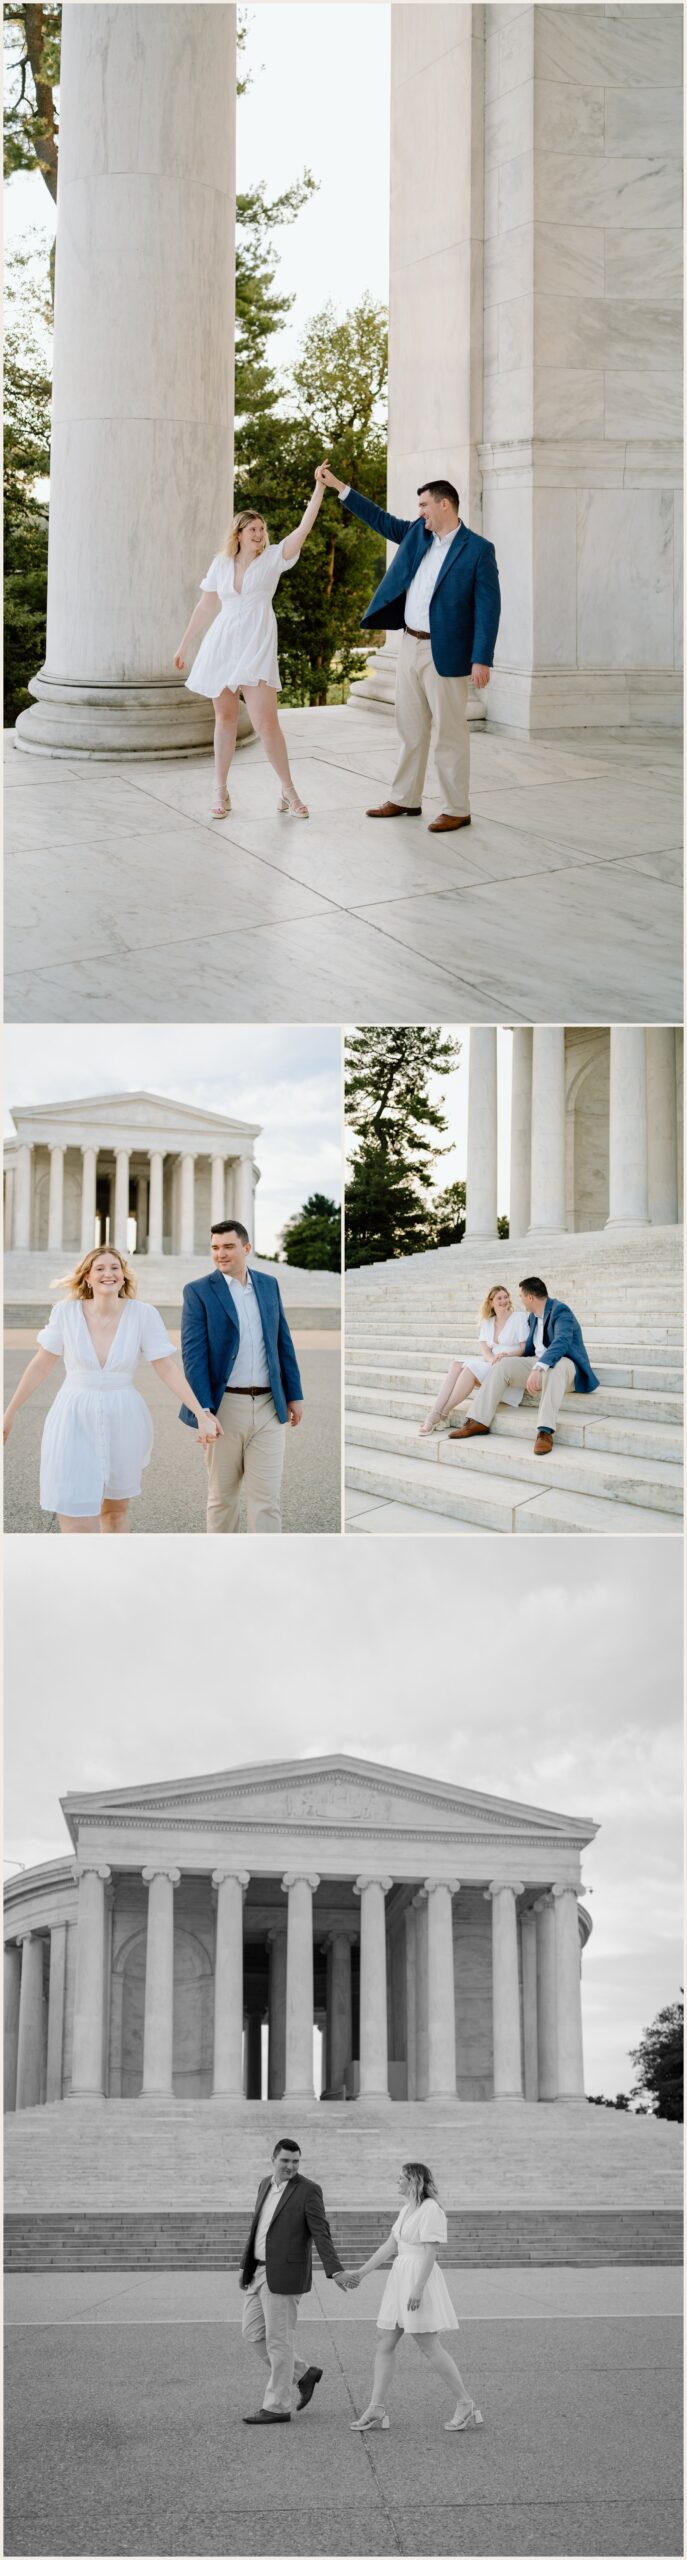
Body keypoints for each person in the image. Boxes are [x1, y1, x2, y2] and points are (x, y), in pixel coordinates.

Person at [319, 464, 500, 832]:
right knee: (410, 728)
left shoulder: (478, 550)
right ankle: (405, 798)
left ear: (445, 504)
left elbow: (488, 608)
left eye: (424, 505)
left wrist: (482, 657)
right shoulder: (418, 533)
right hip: (410, 644)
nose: (419, 512)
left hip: (445, 652)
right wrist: (339, 487)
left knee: (449, 732)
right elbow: (380, 519)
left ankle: (457, 808)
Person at [2, 1245, 220, 1534]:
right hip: (73, 1416)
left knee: (115, 1511)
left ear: (123, 1276)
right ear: (88, 1277)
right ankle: (83, 1575)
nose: (109, 1273)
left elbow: (166, 1368)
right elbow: (41, 1364)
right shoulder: (65, 1313)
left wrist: (201, 1414)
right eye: (100, 1268)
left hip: (123, 1416)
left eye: (115, 1267)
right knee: (74, 1512)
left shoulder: (143, 1314)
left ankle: (113, 1574)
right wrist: (10, 1412)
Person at [173, 470, 328, 819]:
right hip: (223, 643)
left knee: (266, 723)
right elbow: (206, 606)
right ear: (239, 534)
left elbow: (304, 528)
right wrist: (184, 646)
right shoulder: (221, 564)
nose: (260, 534)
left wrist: (319, 488)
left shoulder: (274, 557)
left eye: (262, 529)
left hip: (256, 642)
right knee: (225, 719)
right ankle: (221, 791)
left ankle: (289, 791)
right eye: (253, 529)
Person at [179, 1218, 303, 1534]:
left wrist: (294, 1394)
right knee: (223, 1499)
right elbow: (193, 1357)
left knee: (267, 1501)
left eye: (229, 1246)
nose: (221, 1254)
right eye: (215, 1248)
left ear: (246, 1248)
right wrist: (203, 1410)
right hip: (224, 1408)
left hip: (268, 1406)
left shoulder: (269, 1284)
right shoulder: (198, 1292)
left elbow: (282, 1340)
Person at [340, 2162, 482, 2435]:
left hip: (418, 2279)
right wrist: (361, 2273)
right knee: (385, 2339)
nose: (397, 2182)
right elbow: (391, 2245)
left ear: (414, 2181)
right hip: (401, 2277)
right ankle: (376, 2408)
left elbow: (430, 2252)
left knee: (429, 2346)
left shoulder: (431, 2210)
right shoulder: (406, 2209)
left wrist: (418, 2289)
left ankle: (465, 2403)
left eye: (401, 2178)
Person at [239, 2137, 347, 2424]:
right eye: (285, 2161)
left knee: (279, 2341)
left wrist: (334, 2269)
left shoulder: (309, 2190)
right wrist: (245, 2265)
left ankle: (276, 2406)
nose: (290, 2166)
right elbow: (259, 2229)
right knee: (252, 2333)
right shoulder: (264, 2184)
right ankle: (303, 2373)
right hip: (258, 2271)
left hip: (285, 2274)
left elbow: (321, 2231)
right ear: (273, 2159)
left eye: (295, 2161)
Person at [448, 1275, 600, 1455]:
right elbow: (523, 1344)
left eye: (520, 1296)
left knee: (556, 1368)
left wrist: (539, 1367)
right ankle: (478, 1421)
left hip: (567, 1366)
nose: (518, 1300)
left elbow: (561, 1342)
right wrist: (506, 1355)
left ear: (530, 1298)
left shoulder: (561, 1311)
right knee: (504, 1365)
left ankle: (545, 1431)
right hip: (537, 1363)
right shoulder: (533, 1317)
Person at [419, 1284, 529, 1435]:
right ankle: (437, 1413)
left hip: (509, 1365)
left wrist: (506, 1356)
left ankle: (439, 1414)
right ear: (491, 1302)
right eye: (499, 1298)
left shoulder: (519, 1317)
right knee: (457, 1364)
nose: (504, 1301)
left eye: (506, 1297)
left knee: (470, 1369)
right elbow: (484, 1349)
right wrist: (491, 1360)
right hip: (492, 1363)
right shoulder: (488, 1322)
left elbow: (524, 1347)